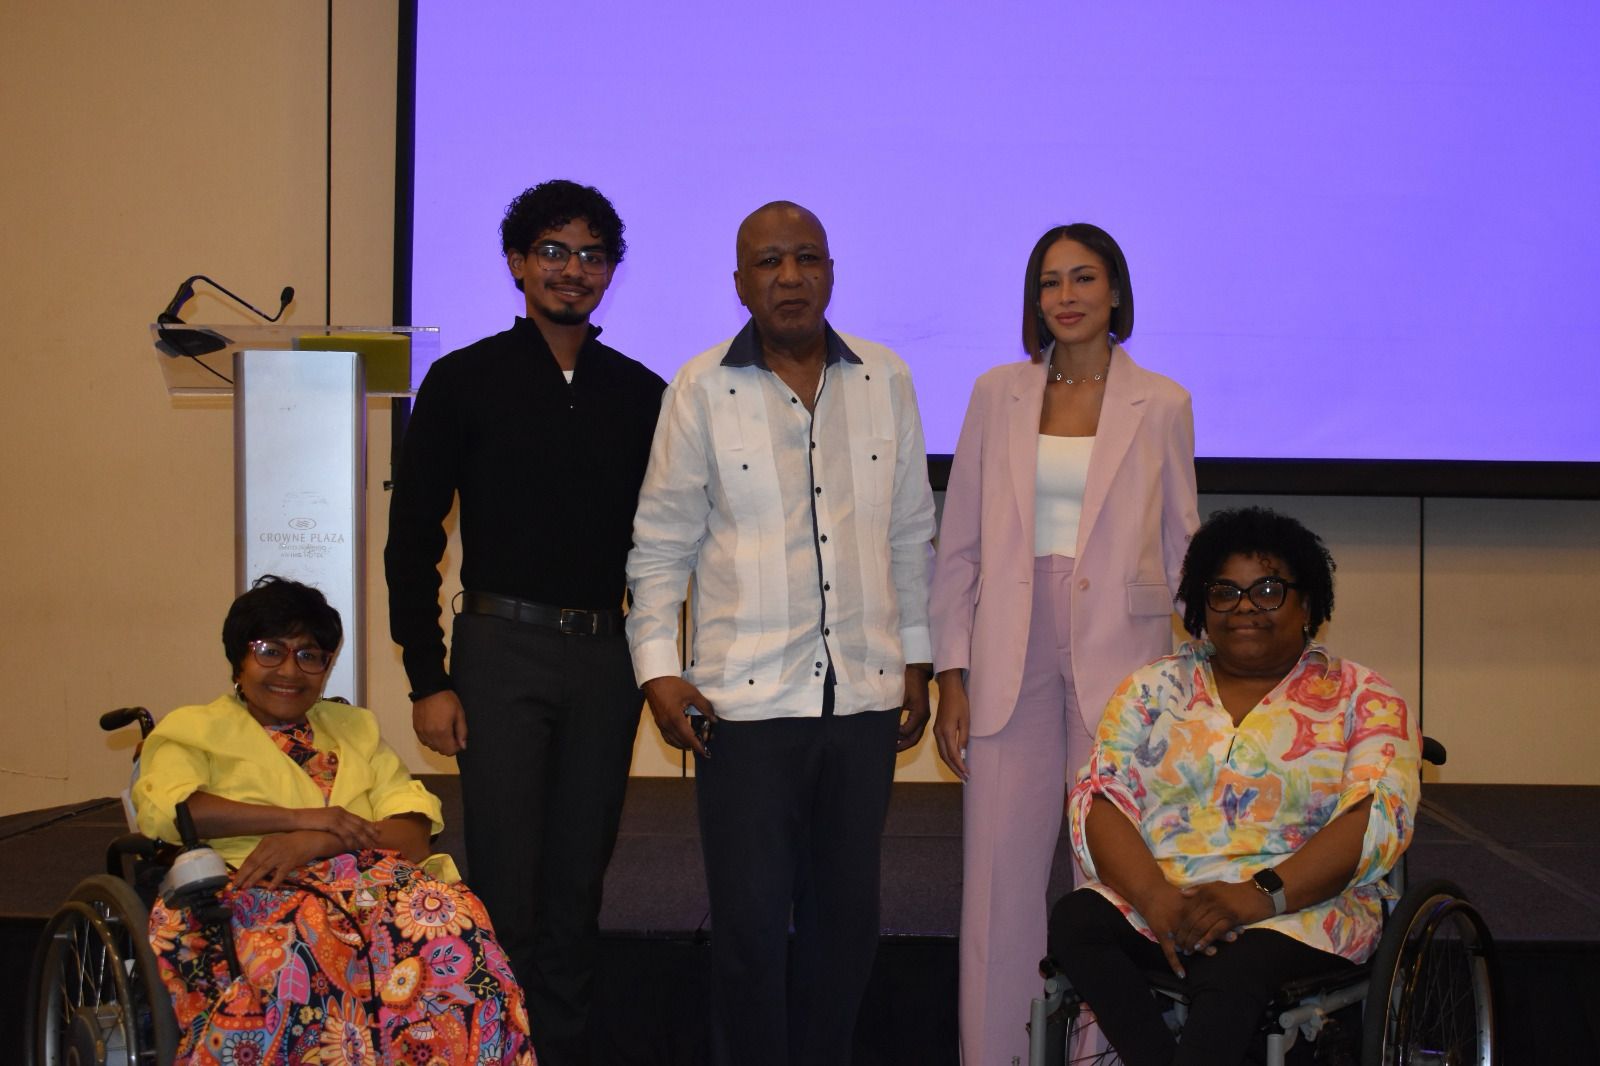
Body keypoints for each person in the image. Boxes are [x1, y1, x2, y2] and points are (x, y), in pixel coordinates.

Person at [625, 201, 936, 1066]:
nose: (790, 277)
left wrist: (917, 657)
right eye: (769, 262)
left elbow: (910, 533)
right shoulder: (699, 388)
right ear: (740, 283)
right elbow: (660, 546)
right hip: (744, 709)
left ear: (831, 272)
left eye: (807, 258)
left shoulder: (886, 378)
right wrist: (658, 671)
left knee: (847, 929)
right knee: (750, 935)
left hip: (863, 699)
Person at [384, 180, 665, 1065]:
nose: (571, 270)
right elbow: (412, 538)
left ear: (610, 272)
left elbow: (670, 542)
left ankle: (562, 1050)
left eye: (591, 255)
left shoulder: (642, 393)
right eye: (552, 251)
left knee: (579, 886)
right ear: (516, 263)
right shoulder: (464, 379)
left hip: (606, 658)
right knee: (506, 884)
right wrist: (427, 677)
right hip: (498, 654)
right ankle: (495, 1049)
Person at [927, 222, 1198, 1064]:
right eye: (1050, 281)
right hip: (1008, 653)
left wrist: (1204, 680)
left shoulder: (1164, 402)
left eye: (1084, 278)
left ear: (1115, 291)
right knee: (998, 887)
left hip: (1123, 661)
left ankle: (1099, 1058)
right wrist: (951, 674)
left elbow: (1183, 546)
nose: (1067, 296)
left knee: (1110, 885)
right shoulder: (996, 393)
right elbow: (959, 546)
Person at [1049, 507, 1422, 1065]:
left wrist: (1255, 896)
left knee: (1234, 966)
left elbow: (1374, 818)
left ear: (1307, 604)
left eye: (1268, 590)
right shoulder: (1151, 690)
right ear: (1201, 606)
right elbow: (1100, 799)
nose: (1245, 606)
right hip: (1165, 901)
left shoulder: (1362, 696)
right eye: (1224, 592)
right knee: (1076, 921)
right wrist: (1156, 899)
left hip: (1297, 911)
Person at [133, 576, 534, 1065]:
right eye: (269, 651)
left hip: (371, 889)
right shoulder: (194, 728)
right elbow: (175, 811)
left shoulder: (353, 728)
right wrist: (304, 820)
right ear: (238, 660)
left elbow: (413, 834)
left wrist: (319, 841)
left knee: (459, 926)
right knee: (299, 952)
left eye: (309, 655)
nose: (290, 670)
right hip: (250, 890)